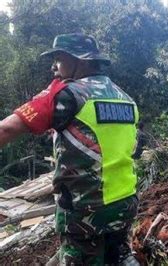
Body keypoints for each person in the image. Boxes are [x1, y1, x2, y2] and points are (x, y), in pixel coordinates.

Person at [0, 33, 140, 265]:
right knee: (117, 256)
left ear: (81, 60)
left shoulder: (66, 94)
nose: (54, 65)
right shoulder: (124, 98)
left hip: (86, 211)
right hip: (125, 203)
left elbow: (6, 130)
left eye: (59, 58)